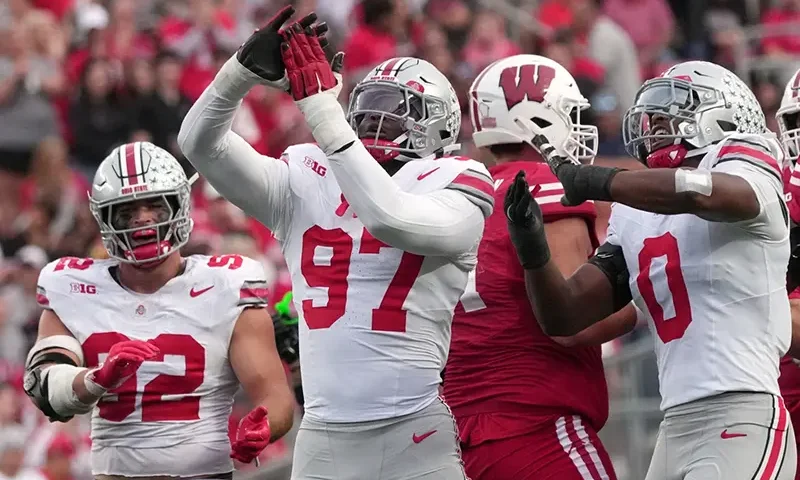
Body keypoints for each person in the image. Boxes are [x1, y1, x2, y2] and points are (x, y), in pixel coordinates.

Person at [179, 7, 493, 479]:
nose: (374, 124)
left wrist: (322, 111)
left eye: (395, 113)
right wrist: (239, 74)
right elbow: (201, 145)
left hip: (415, 429)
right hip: (324, 435)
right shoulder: (308, 176)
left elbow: (390, 218)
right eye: (368, 110)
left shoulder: (455, 179)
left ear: (442, 127)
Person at [505, 60, 796, 479]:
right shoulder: (635, 208)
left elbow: (709, 194)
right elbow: (564, 315)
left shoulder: (746, 158)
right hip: (674, 424)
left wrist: (599, 181)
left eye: (673, 108)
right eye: (653, 113)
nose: (655, 122)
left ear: (724, 112)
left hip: (742, 415)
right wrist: (533, 252)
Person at [22, 141, 296, 479]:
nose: (143, 220)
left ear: (179, 205)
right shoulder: (72, 286)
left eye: (155, 206)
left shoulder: (226, 284)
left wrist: (264, 426)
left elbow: (274, 395)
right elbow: (44, 387)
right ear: (105, 218)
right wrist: (98, 379)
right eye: (127, 211)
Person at [444, 54, 635, 480]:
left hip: (453, 440)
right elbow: (574, 323)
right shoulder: (543, 185)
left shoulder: (456, 193)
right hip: (536, 427)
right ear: (539, 119)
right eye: (570, 113)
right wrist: (645, 296)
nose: (578, 125)